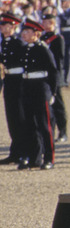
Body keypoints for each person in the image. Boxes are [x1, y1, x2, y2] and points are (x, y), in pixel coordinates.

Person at [18, 19, 58, 170]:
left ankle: (49, 158)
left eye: (27, 32)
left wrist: (52, 92)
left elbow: (53, 72)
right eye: (24, 31)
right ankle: (34, 157)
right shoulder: (24, 49)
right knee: (29, 125)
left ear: (36, 34)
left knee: (44, 124)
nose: (24, 34)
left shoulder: (43, 49)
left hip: (41, 88)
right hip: (27, 87)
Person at [0, 13, 26, 166]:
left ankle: (23, 151)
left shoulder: (19, 43)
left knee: (21, 117)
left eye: (5, 25)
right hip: (9, 79)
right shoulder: (5, 43)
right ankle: (15, 152)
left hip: (19, 81)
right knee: (11, 118)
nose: (2, 28)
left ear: (13, 26)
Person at [40, 13, 68, 142]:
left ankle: (62, 131)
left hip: (54, 75)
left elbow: (59, 59)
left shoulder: (58, 39)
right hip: (43, 75)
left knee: (58, 105)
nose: (45, 25)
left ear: (53, 23)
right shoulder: (41, 38)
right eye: (44, 22)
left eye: (48, 23)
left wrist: (57, 76)